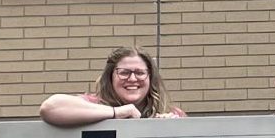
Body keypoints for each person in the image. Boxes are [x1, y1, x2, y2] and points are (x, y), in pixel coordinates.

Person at [38, 47, 186, 125]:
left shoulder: (171, 114)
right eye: (124, 72)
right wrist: (116, 112)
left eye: (140, 73)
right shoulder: (93, 105)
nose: (132, 79)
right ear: (110, 77)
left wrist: (172, 128)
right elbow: (50, 107)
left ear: (150, 77)